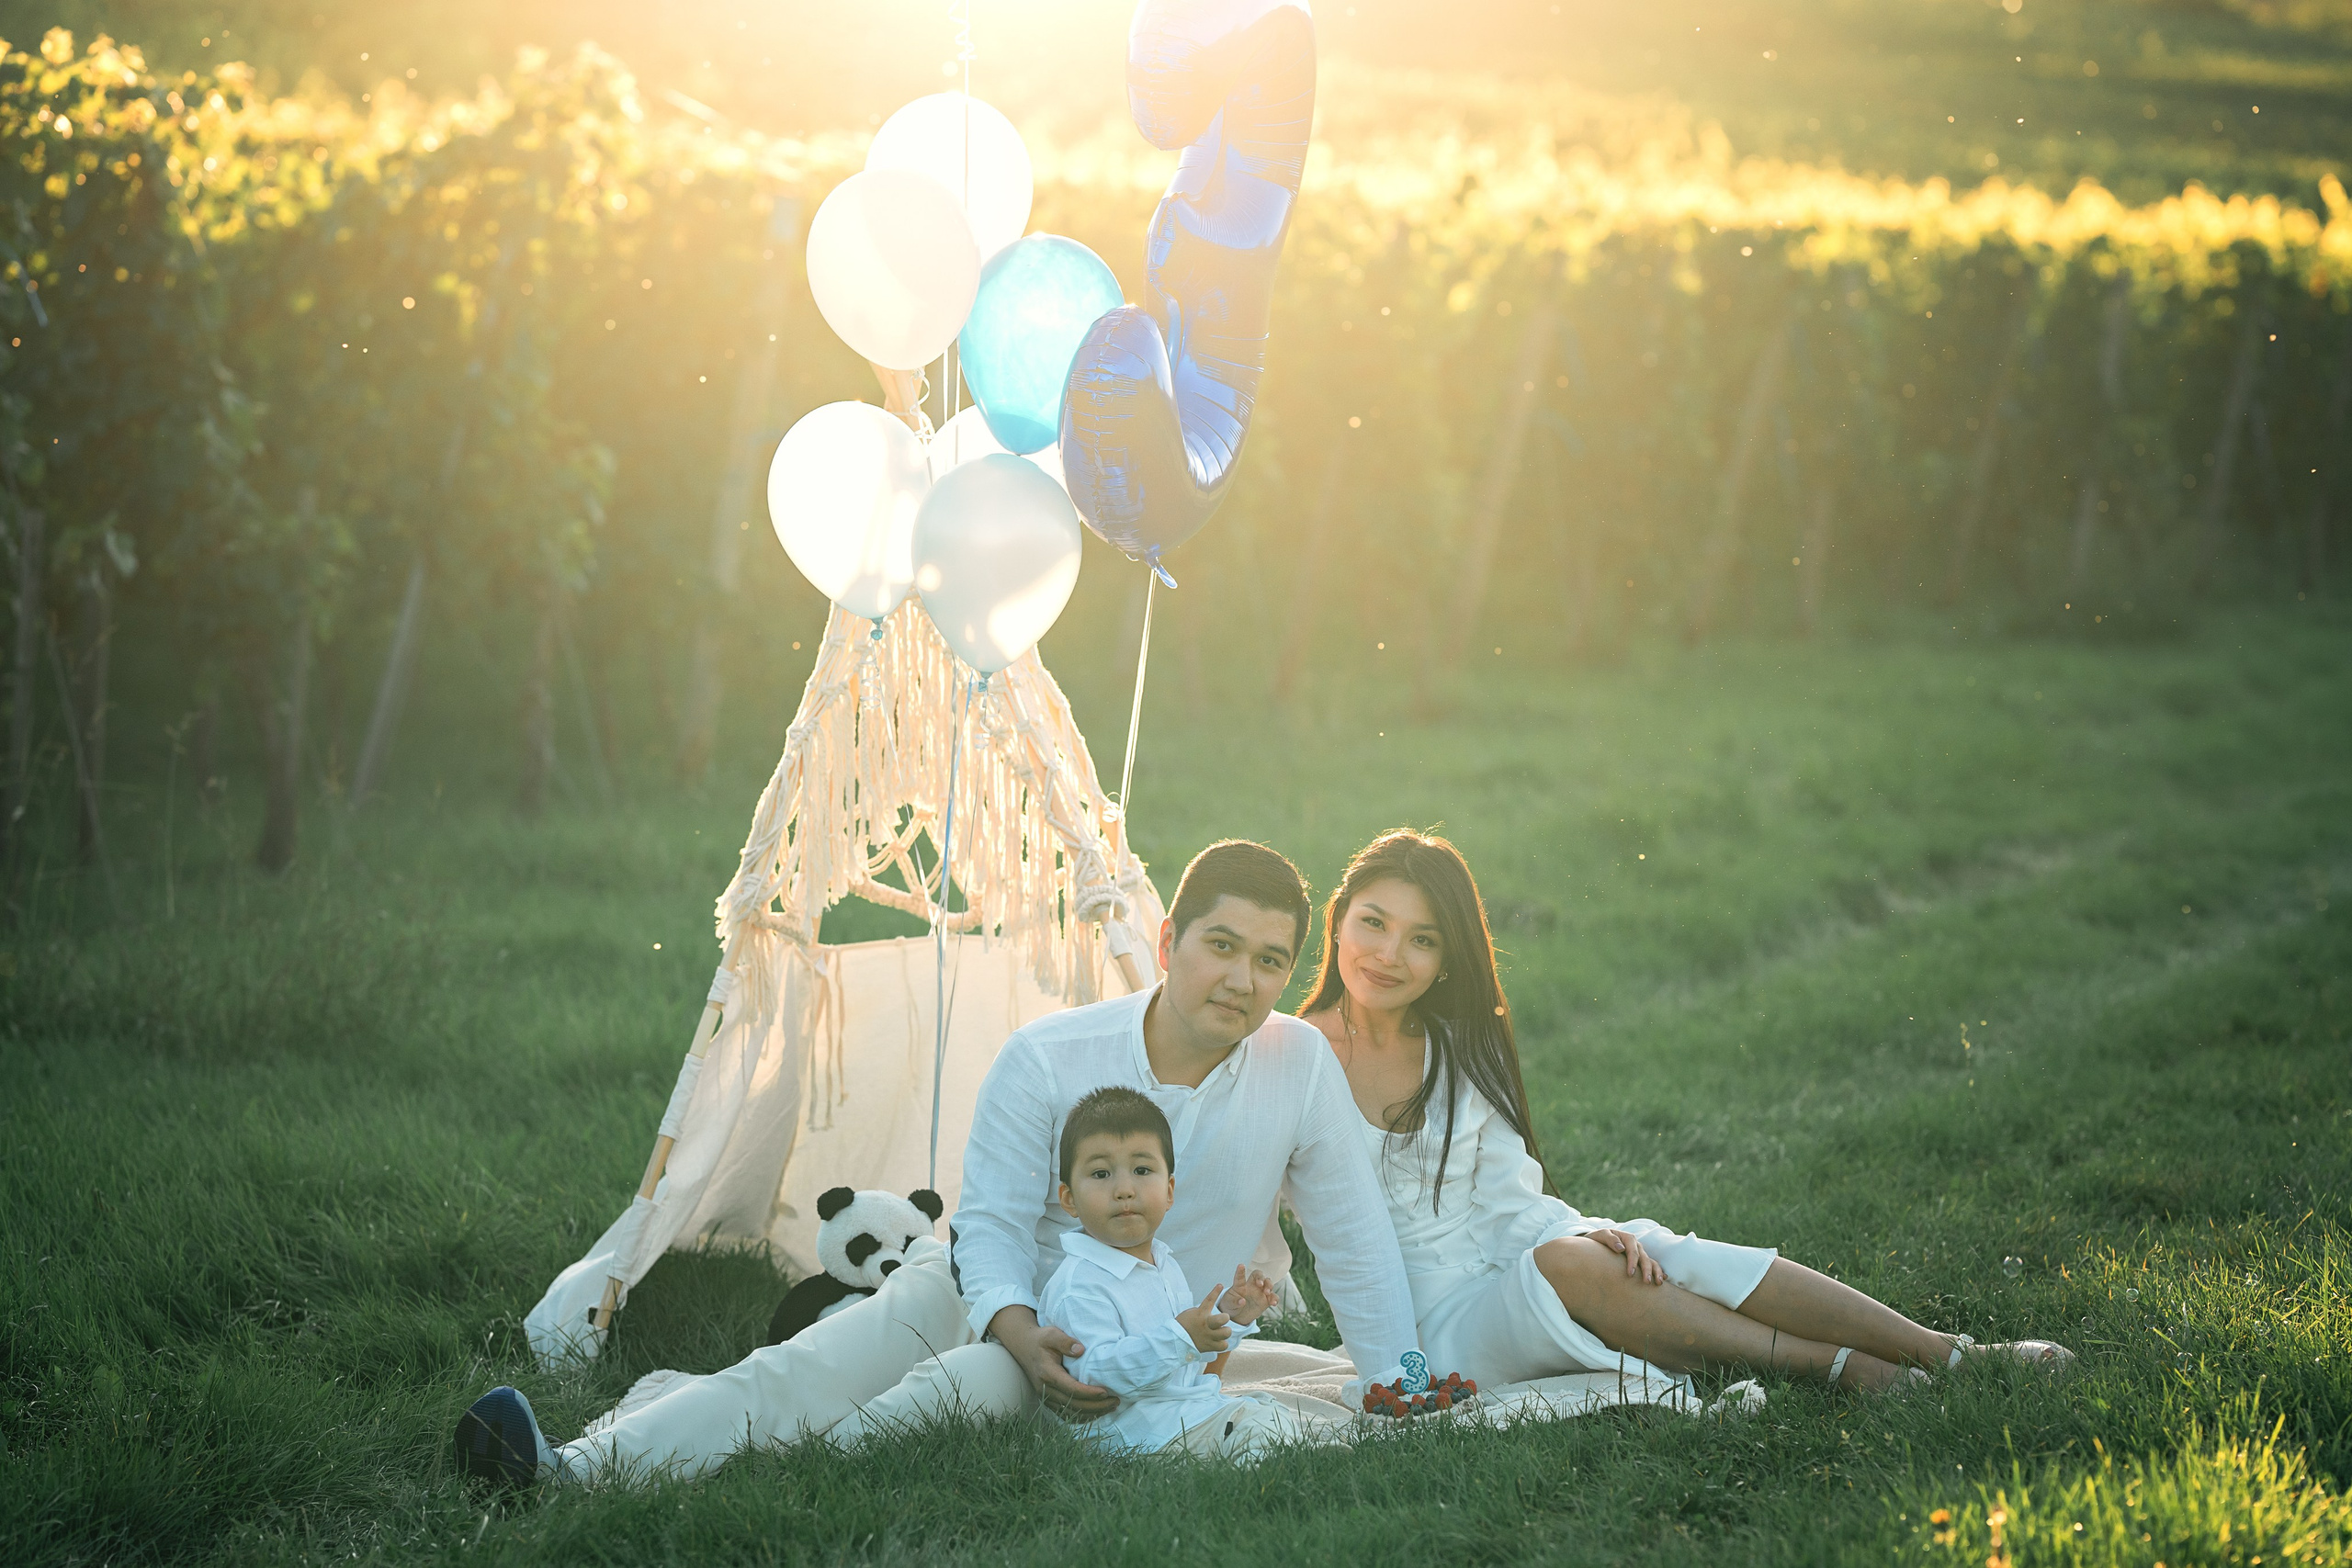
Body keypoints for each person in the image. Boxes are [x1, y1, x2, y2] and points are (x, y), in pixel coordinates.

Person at [454, 840, 1421, 1488]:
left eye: (1270, 960)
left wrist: (1399, 1387)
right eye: (1221, 946)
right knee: (810, 1372)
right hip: (989, 1300)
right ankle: (569, 1469)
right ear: (1168, 941)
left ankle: (766, 1465)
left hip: (1136, 1356)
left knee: (914, 1418)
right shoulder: (1049, 1054)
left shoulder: (1297, 1063)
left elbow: (1355, 1239)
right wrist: (1019, 1332)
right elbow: (990, 1226)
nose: (1242, 980)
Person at [1295, 829, 2074, 1396]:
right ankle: (1836, 1368)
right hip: (1422, 1327)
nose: (1388, 954)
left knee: (1657, 1249)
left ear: (1446, 960)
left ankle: (1949, 1350)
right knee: (1573, 1265)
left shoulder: (1458, 1045)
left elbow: (1508, 1200)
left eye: (1422, 939)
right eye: (1374, 922)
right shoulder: (1290, 1059)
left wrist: (1574, 1234)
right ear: (1338, 917)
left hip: (1511, 1255)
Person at [1039, 1085, 1363, 1461]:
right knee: (1252, 1424)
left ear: (1169, 1191)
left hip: (1179, 1411)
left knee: (1264, 1408)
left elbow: (1188, 1363)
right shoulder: (1080, 1284)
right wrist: (1180, 1338)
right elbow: (1096, 1376)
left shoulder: (1162, 1263)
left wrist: (1229, 1319)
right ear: (1069, 1199)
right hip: (1131, 1433)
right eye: (1100, 1174)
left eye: (1142, 1170)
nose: (1124, 1189)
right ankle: (1273, 1467)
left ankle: (1292, 1453)